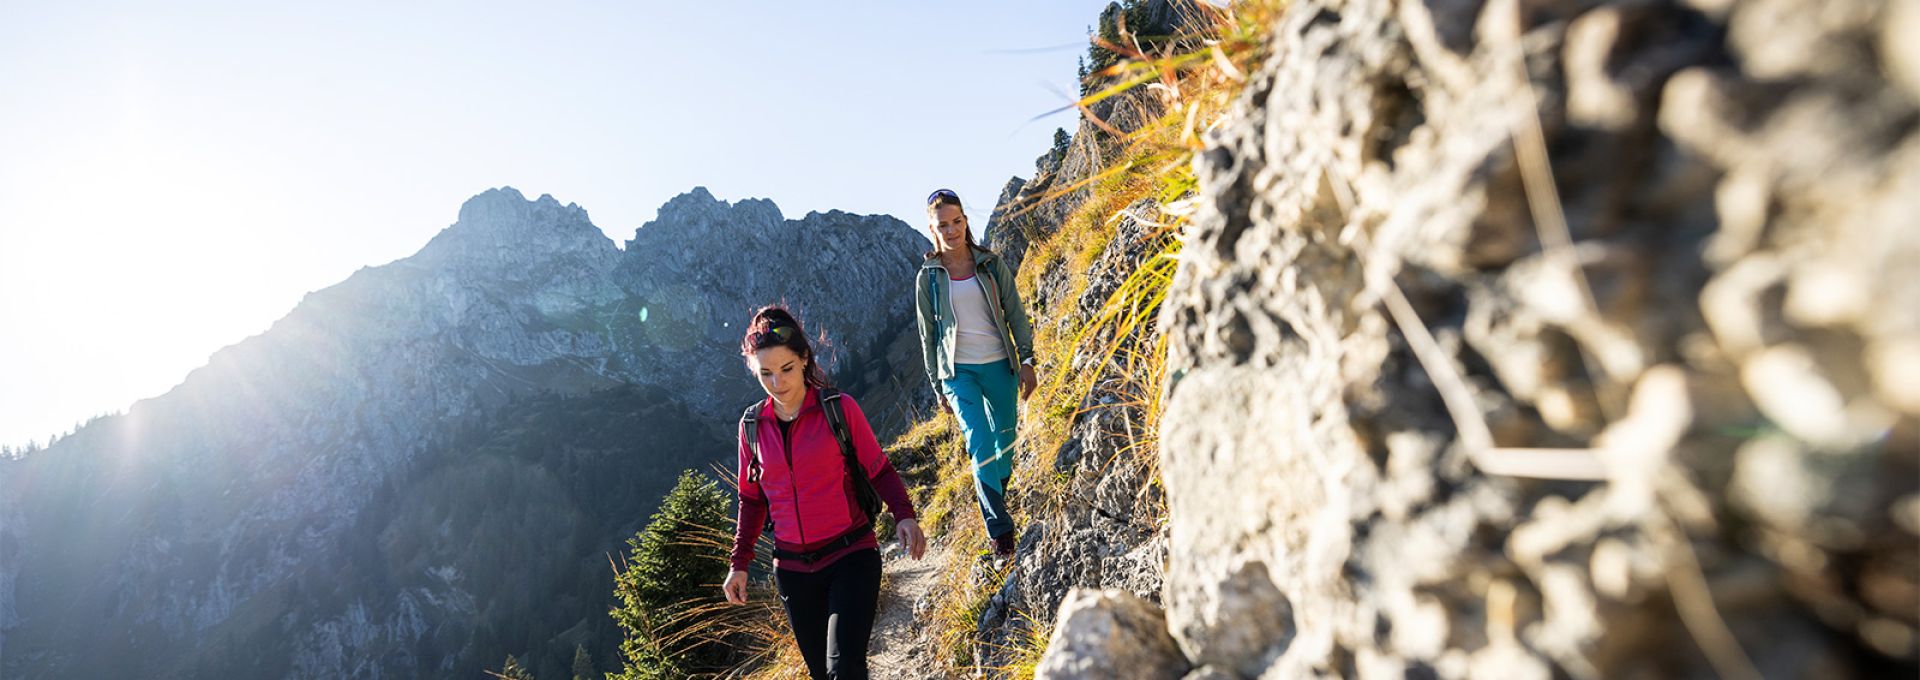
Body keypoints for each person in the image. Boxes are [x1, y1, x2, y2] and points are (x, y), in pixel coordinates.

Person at [723, 305, 927, 680]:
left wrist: (904, 514)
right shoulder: (751, 426)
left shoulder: (838, 409)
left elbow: (878, 468)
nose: (777, 382)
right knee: (824, 675)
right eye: (765, 373)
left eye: (785, 369)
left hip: (851, 556)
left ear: (803, 360)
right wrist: (739, 564)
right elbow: (751, 500)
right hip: (793, 573)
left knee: (844, 669)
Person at [913, 188, 1037, 559]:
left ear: (966, 222)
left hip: (999, 363)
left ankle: (993, 489)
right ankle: (1000, 532)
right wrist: (938, 385)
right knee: (979, 441)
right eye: (942, 226)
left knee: (1005, 443)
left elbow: (1015, 313)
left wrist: (1028, 359)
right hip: (957, 371)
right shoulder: (928, 278)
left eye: (956, 222)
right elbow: (927, 336)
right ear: (932, 229)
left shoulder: (991, 264)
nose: (950, 231)